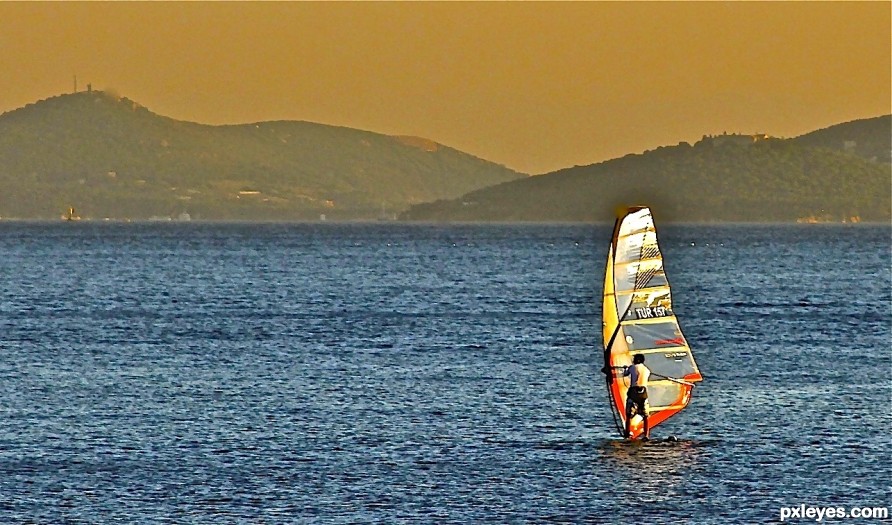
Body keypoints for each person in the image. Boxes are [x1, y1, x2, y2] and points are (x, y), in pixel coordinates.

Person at [622, 353, 651, 440]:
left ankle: (627, 434)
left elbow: (625, 374)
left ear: (636, 360)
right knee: (646, 416)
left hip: (634, 393)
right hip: (643, 393)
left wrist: (626, 368)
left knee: (628, 415)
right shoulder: (647, 370)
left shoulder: (632, 367)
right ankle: (646, 435)